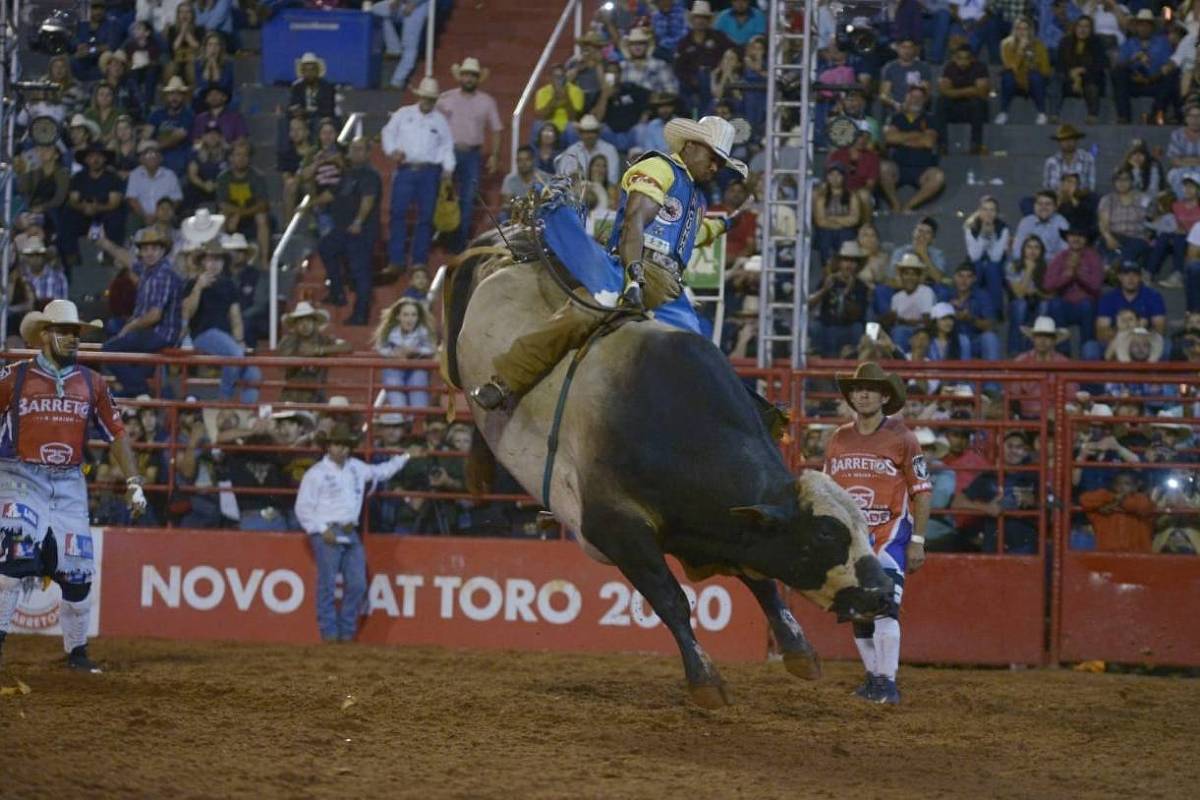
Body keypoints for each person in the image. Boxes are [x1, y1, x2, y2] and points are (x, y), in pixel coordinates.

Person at [470, 116, 748, 410]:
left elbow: (693, 234)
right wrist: (633, 277)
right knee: (582, 314)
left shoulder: (694, 195)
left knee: (702, 355)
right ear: (691, 146)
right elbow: (635, 221)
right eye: (713, 158)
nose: (716, 168)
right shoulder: (659, 168)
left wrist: (726, 225)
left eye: (721, 163)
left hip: (669, 286)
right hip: (639, 269)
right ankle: (506, 380)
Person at [0, 300, 147, 671]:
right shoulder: (14, 377)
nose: (72, 339)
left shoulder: (92, 382)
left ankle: (77, 654)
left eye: (76, 333)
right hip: (20, 477)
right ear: (45, 334)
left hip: (68, 481)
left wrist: (133, 481)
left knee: (78, 574)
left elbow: (116, 433)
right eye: (65, 331)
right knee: (13, 561)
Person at [823, 362, 929, 705]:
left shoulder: (903, 438)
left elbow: (922, 491)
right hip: (850, 542)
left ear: (885, 396)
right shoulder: (838, 438)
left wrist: (917, 541)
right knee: (858, 611)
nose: (863, 394)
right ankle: (874, 677)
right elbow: (827, 490)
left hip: (890, 537)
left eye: (870, 389)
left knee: (884, 607)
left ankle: (886, 681)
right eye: (857, 389)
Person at [294, 421, 410, 642]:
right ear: (329, 447)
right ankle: (330, 634)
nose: (342, 449)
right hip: (328, 530)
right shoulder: (316, 474)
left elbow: (382, 472)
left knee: (357, 584)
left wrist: (404, 458)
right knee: (328, 584)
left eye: (346, 445)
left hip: (348, 531)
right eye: (338, 445)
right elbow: (303, 508)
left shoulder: (356, 467)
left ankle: (345, 633)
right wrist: (320, 529)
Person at [381, 77, 455, 275]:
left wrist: (448, 168)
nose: (428, 101)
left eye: (431, 98)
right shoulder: (403, 114)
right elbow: (387, 133)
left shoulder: (440, 121)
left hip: (430, 172)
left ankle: (419, 261)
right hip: (406, 169)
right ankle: (396, 260)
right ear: (419, 96)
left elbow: (447, 146)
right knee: (397, 214)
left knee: (426, 217)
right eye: (425, 97)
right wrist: (393, 150)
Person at [98, 227, 185, 396]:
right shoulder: (148, 269)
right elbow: (128, 260)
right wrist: (103, 242)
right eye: (145, 249)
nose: (149, 253)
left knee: (108, 350)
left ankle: (140, 389)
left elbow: (155, 315)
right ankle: (136, 389)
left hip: (160, 333)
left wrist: (129, 328)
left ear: (162, 251)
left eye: (154, 249)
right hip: (148, 330)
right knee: (114, 330)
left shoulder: (162, 274)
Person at [180, 242, 260, 403]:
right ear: (203, 262)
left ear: (223, 262)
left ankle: (247, 416)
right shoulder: (192, 283)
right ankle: (224, 403)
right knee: (235, 356)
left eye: (218, 260)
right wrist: (198, 287)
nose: (214, 264)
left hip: (225, 336)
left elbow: (235, 316)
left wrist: (240, 340)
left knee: (254, 374)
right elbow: (187, 313)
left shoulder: (228, 284)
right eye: (210, 259)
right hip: (202, 334)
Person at [438, 58, 502, 252]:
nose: (468, 78)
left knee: (467, 197)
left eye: (472, 75)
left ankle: (458, 241)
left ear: (477, 78)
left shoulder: (486, 101)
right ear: (460, 76)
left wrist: (495, 155)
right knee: (444, 195)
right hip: (449, 152)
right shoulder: (445, 98)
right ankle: (444, 233)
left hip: (473, 154)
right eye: (465, 74)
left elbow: (497, 129)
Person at [316, 137, 381, 325]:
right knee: (326, 248)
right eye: (353, 148)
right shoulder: (348, 173)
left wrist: (359, 221)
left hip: (360, 230)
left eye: (360, 149)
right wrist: (307, 206)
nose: (355, 152)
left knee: (360, 272)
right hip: (342, 228)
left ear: (368, 153)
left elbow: (368, 199)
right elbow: (332, 194)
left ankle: (361, 314)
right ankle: (337, 292)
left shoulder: (370, 175)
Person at [879, 86, 945, 213]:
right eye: (913, 97)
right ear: (907, 98)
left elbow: (929, 142)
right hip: (898, 166)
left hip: (923, 168)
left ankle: (909, 206)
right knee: (882, 168)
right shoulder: (896, 117)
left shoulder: (931, 119)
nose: (916, 100)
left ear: (925, 100)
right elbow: (890, 138)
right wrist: (918, 135)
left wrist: (902, 138)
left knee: (938, 177)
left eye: (920, 97)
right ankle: (895, 204)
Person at [276, 301, 353, 403]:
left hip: (317, 393)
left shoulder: (323, 340)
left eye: (308, 320)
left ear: (314, 323)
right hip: (293, 393)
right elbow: (283, 365)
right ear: (295, 325)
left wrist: (318, 350)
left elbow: (347, 346)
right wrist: (302, 356)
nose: (305, 325)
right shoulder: (288, 341)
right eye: (301, 321)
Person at [1044, 226, 1105, 355]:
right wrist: (1068, 276)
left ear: (1086, 239)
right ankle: (1063, 352)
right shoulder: (1060, 257)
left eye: (1080, 236)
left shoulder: (1093, 258)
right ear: (1067, 238)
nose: (1076, 239)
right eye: (1072, 235)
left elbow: (1096, 286)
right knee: (1054, 305)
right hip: (1064, 304)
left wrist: (1078, 275)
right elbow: (1048, 285)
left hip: (1086, 304)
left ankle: (1087, 351)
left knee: (1087, 305)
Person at [1112, 9, 1176, 124]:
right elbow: (1119, 64)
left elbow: (1168, 64)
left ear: (1152, 27)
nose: (1144, 28)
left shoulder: (1162, 42)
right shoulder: (1129, 43)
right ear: (1136, 27)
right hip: (1134, 82)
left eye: (1147, 25)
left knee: (1172, 75)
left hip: (1155, 81)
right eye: (1141, 25)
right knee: (1118, 73)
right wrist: (1133, 60)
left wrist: (1152, 78)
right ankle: (1124, 116)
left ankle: (1156, 114)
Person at [374, 296, 436, 413]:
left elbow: (432, 349)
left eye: (413, 315)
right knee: (396, 398)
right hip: (394, 368)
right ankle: (400, 417)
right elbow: (380, 348)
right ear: (398, 316)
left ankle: (417, 422)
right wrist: (394, 353)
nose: (410, 319)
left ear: (418, 317)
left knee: (419, 398)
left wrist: (415, 350)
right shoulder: (389, 332)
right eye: (406, 315)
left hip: (417, 368)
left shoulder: (424, 332)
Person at [216, 139, 272, 267]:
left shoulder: (257, 176)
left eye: (245, 155)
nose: (241, 158)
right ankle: (221, 258)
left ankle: (264, 260)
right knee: (221, 216)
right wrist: (236, 214)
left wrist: (241, 214)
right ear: (230, 158)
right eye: (238, 155)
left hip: (251, 216)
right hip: (231, 217)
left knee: (262, 216)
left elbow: (263, 204)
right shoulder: (223, 178)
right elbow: (222, 204)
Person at [809, 241, 869, 357]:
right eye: (846, 260)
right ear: (840, 263)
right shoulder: (829, 280)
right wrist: (824, 290)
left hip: (848, 328)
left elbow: (857, 314)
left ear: (857, 265)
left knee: (858, 328)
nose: (849, 265)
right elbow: (809, 305)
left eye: (853, 261)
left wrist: (848, 292)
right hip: (827, 326)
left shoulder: (861, 286)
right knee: (815, 327)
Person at [674, 2, 733, 115]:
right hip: (690, 85)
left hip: (715, 81)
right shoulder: (684, 42)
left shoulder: (719, 37)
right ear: (692, 20)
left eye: (704, 18)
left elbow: (735, 50)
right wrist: (691, 80)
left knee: (705, 76)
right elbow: (678, 68)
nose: (701, 21)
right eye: (697, 17)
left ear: (709, 20)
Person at [995, 15, 1052, 125]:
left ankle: (1042, 113)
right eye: (1019, 29)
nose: (1022, 32)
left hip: (1033, 82)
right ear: (1014, 30)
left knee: (1035, 76)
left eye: (1025, 29)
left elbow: (1046, 70)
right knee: (1008, 77)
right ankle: (1003, 113)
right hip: (1015, 81)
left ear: (1030, 30)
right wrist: (1020, 50)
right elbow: (1011, 66)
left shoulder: (1039, 45)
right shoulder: (1005, 44)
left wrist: (1034, 64)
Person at [1079, 471, 1156, 552]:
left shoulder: (1142, 500)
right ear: (1112, 486)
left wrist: (1120, 502)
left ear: (1135, 487)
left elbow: (1145, 507)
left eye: (1127, 484)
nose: (1121, 487)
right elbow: (1084, 499)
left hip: (1137, 555)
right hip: (1108, 555)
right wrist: (1113, 498)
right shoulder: (1104, 502)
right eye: (1118, 484)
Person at [934, 45, 989, 155]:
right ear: (954, 58)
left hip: (972, 108)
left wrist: (954, 92)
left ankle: (976, 144)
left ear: (972, 59)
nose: (963, 62)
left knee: (978, 103)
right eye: (959, 58)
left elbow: (982, 92)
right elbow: (944, 91)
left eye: (966, 58)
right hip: (955, 107)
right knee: (941, 102)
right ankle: (942, 145)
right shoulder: (949, 67)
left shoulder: (980, 67)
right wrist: (970, 90)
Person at [1055, 14, 1108, 124]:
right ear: (1075, 28)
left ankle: (1092, 116)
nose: (1082, 30)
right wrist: (1072, 75)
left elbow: (1100, 65)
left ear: (1091, 29)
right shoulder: (1065, 42)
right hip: (1069, 80)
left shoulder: (1097, 43)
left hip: (1089, 79)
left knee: (1092, 86)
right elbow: (1060, 65)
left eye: (1086, 27)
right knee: (1057, 81)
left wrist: (1081, 71)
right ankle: (1054, 114)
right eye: (1080, 26)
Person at [371, 0, 431, 89]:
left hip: (419, 6)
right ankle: (394, 48)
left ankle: (397, 81)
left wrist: (413, 4)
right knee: (376, 10)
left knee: (409, 45)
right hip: (403, 3)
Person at [125, 139, 183, 229]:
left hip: (165, 217)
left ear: (160, 158)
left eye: (154, 154)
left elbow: (177, 199)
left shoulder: (170, 175)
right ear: (141, 159)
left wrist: (161, 215)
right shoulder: (134, 175)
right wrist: (145, 216)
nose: (151, 157)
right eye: (147, 154)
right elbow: (132, 199)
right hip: (141, 217)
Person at [1098, 167, 1151, 264]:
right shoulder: (1107, 199)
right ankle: (1113, 267)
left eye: (1125, 179)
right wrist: (1108, 237)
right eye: (1118, 179)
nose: (1122, 183)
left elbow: (1152, 217)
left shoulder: (1142, 198)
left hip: (1136, 237)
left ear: (1131, 181)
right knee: (1103, 244)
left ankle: (1117, 267)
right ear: (1114, 182)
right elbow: (1103, 223)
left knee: (1132, 249)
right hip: (1114, 236)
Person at [884, 253, 936, 351]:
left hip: (923, 331)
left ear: (919, 277)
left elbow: (928, 321)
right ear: (902, 276)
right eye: (906, 274)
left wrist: (906, 322)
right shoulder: (896, 297)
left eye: (913, 274)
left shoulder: (926, 291)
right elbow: (895, 320)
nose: (909, 278)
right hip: (901, 330)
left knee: (900, 332)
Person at [1012, 190, 1069, 259]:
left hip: (1051, 264)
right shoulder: (1026, 221)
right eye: (1040, 204)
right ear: (1034, 206)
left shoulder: (1061, 223)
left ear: (1055, 207)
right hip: (1028, 262)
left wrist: (1039, 258)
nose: (1043, 207)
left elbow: (1066, 252)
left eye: (1048, 204)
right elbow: (1017, 250)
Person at [534, 64, 585, 134]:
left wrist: (566, 97)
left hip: (568, 125)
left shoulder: (576, 91)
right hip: (549, 124)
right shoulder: (542, 92)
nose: (559, 80)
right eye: (556, 77)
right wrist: (554, 99)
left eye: (561, 76)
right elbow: (543, 116)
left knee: (572, 128)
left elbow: (574, 117)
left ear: (566, 77)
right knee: (537, 125)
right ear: (550, 78)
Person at [1044, 124, 1095, 193]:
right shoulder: (1051, 161)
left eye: (1071, 139)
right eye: (1064, 140)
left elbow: (1091, 186)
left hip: (1081, 198)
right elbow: (1047, 187)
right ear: (1059, 142)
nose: (1068, 142)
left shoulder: (1088, 159)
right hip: (1057, 199)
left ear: (1076, 141)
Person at [289, 52, 337, 122]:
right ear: (302, 72)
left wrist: (307, 113)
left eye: (312, 70)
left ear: (317, 71)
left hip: (320, 120)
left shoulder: (327, 87)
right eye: (306, 70)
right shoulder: (297, 87)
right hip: (301, 120)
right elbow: (292, 106)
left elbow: (328, 110)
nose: (309, 73)